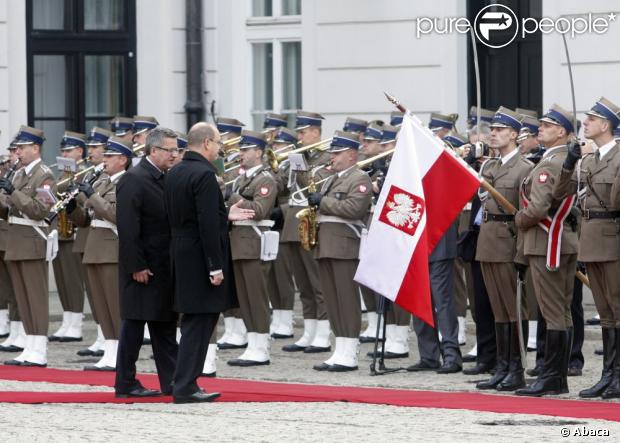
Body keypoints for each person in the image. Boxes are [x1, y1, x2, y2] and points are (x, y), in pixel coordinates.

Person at [164, 121, 253, 403]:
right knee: (200, 323)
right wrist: (215, 266)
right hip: (201, 257)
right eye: (217, 143)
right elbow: (205, 225)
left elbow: (189, 215)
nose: (219, 149)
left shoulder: (176, 171)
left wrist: (224, 214)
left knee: (191, 321)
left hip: (180, 251)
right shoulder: (204, 174)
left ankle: (183, 380)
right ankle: (186, 385)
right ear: (205, 143)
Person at [553, 97, 620, 399]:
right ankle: (608, 374)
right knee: (606, 313)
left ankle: (618, 375)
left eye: (592, 119)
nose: (585, 123)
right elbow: (559, 194)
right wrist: (569, 164)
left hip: (614, 239)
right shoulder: (587, 160)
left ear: (605, 125)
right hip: (591, 240)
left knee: (618, 310)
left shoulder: (617, 157)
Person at [514, 104, 579, 396]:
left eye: (548, 125)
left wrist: (519, 219)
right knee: (561, 311)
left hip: (546, 243)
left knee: (552, 311)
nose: (541, 128)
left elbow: (539, 207)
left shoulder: (552, 163)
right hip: (560, 241)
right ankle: (558, 377)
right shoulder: (561, 159)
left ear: (561, 132)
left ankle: (551, 377)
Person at [114, 127, 180, 398]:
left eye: (177, 150)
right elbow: (128, 228)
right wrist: (136, 266)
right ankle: (126, 383)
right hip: (143, 267)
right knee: (134, 325)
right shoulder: (135, 179)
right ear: (154, 151)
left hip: (163, 266)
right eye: (170, 150)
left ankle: (174, 382)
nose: (175, 155)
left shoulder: (164, 177)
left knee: (164, 324)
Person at [474, 107, 533, 391]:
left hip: (509, 242)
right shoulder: (490, 167)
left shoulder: (524, 169)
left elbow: (525, 215)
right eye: (492, 130)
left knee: (513, 309)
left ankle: (516, 368)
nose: (493, 134)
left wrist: (522, 254)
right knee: (497, 309)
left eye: (499, 130)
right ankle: (502, 365)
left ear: (514, 134)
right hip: (488, 241)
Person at [309, 131, 372, 372]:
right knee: (332, 299)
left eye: (337, 154)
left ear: (352, 155)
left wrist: (321, 202)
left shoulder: (360, 178)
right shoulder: (330, 179)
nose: (332, 158)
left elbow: (354, 208)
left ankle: (351, 351)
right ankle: (340, 348)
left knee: (346, 299)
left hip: (345, 245)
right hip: (326, 243)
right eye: (332, 153)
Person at [70, 137, 133, 371]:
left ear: (123, 160)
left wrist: (92, 197)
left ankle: (121, 353)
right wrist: (72, 208)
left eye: (109, 156)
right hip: (95, 248)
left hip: (112, 249)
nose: (104, 160)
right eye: (104, 155)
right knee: (101, 305)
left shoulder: (127, 182)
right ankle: (110, 350)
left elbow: (117, 215)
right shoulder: (102, 182)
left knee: (114, 304)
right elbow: (86, 220)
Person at [0, 126, 55, 367]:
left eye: (22, 148)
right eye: (17, 148)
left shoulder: (45, 175)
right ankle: (29, 345)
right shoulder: (19, 174)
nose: (18, 152)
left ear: (36, 148)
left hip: (32, 240)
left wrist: (13, 193)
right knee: (22, 298)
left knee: (35, 297)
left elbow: (39, 210)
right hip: (16, 240)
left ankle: (39, 348)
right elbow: (8, 211)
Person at [227, 130, 277, 367]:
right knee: (244, 298)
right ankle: (252, 342)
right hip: (238, 243)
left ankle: (262, 346)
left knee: (256, 297)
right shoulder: (240, 179)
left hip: (255, 243)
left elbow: (259, 210)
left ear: (258, 152)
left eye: (246, 150)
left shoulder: (265, 179)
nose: (242, 154)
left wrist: (235, 198)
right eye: (242, 149)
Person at [74, 127, 112, 358]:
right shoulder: (94, 175)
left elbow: (110, 210)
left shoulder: (114, 179)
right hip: (94, 240)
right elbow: (87, 214)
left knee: (110, 298)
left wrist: (88, 195)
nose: (93, 152)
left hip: (110, 242)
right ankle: (104, 339)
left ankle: (113, 344)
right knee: (97, 296)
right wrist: (72, 206)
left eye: (98, 148)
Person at [50, 131, 88, 343]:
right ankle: (67, 319)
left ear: (79, 152)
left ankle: (76, 323)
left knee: (73, 280)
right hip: (61, 231)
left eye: (68, 150)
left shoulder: (82, 173)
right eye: (62, 150)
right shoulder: (63, 174)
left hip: (75, 231)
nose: (63, 153)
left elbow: (84, 201)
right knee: (62, 280)